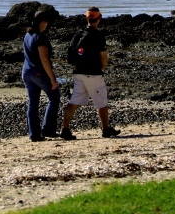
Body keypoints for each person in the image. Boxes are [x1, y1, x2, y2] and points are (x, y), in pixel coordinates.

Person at [60, 7, 120, 139]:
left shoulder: (78, 34)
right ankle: (105, 129)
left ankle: (65, 128)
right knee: (101, 102)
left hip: (78, 72)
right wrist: (101, 69)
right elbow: (103, 57)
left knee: (74, 101)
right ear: (99, 18)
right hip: (93, 74)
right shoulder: (98, 36)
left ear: (87, 18)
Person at [22, 9, 60, 141]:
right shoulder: (40, 38)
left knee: (33, 103)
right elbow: (44, 59)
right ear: (43, 22)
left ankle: (34, 134)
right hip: (38, 73)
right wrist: (53, 79)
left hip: (26, 72)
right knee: (54, 97)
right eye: (47, 22)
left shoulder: (28, 35)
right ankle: (48, 129)